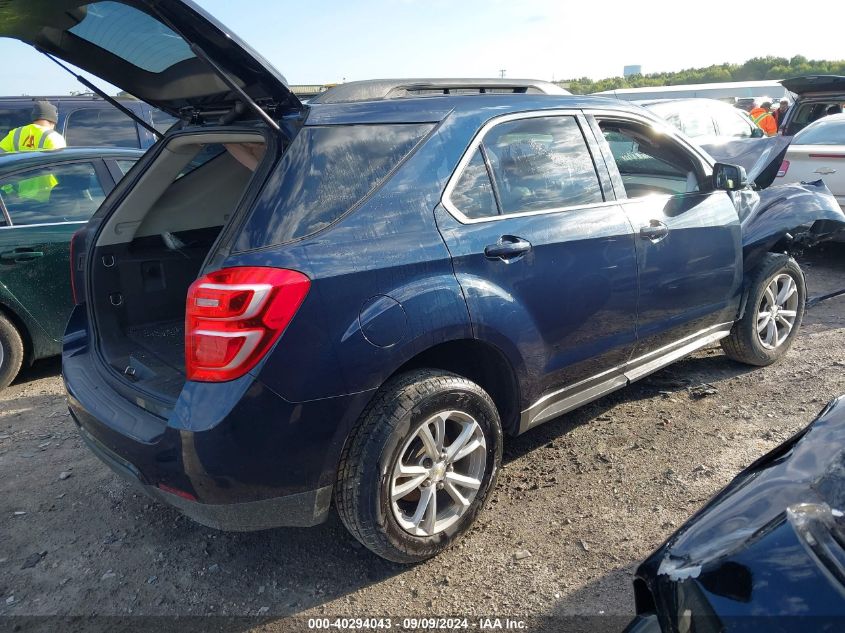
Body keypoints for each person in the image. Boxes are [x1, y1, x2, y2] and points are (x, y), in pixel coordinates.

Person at [0, 100, 66, 153]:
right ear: (53, 121)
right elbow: (58, 167)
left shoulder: (15, 133)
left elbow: (2, 154)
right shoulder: (55, 138)